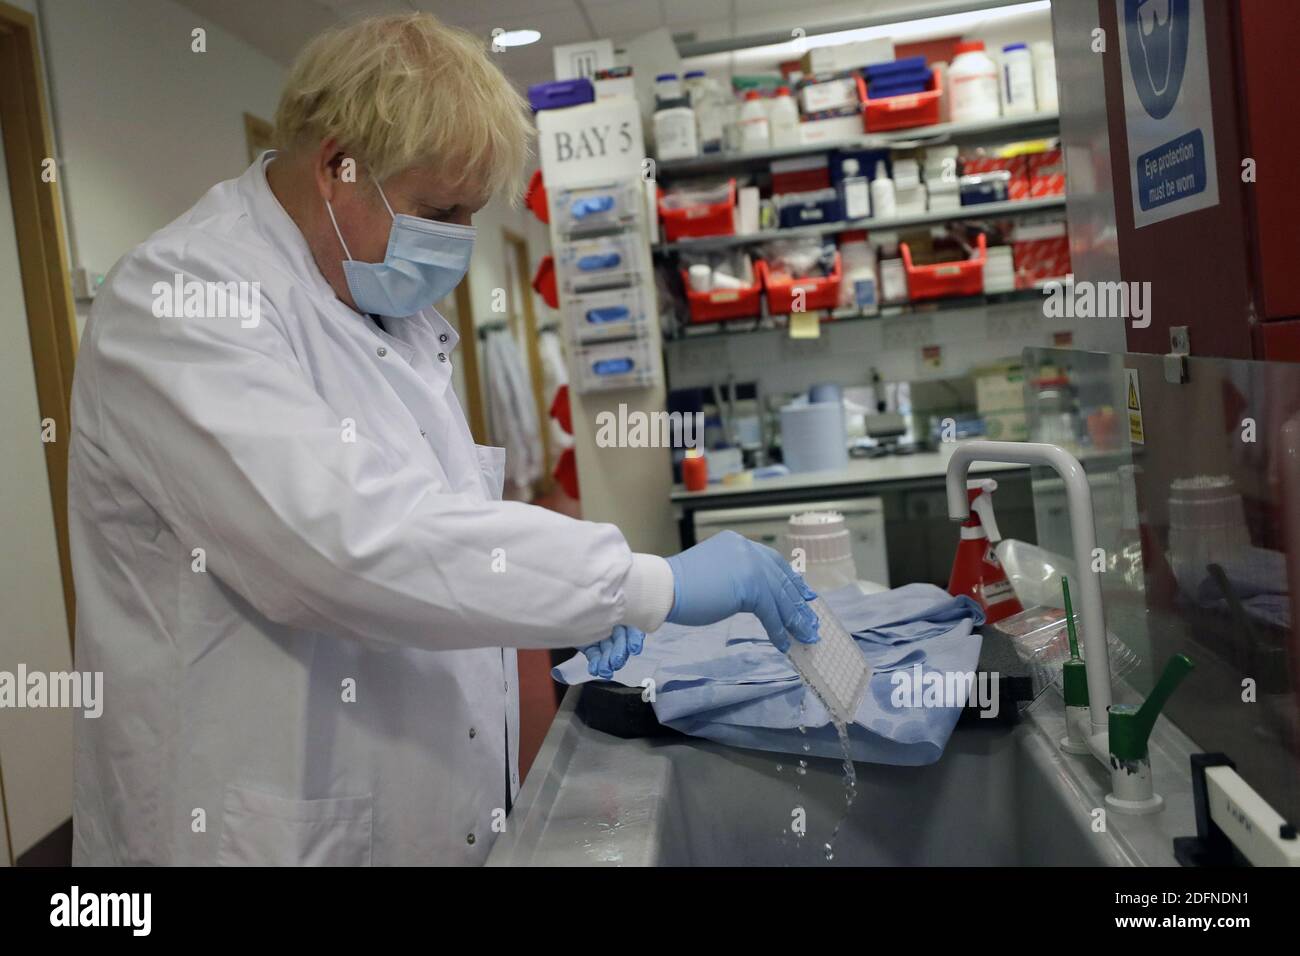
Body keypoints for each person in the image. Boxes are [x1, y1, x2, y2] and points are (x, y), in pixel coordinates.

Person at [67, 13, 817, 866]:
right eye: (441, 209)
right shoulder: (182, 299)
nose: (459, 239)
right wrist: (636, 583)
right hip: (251, 820)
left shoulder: (385, 308)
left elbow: (442, 526)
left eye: (471, 212)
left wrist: (560, 606)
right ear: (337, 165)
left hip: (423, 802)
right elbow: (348, 543)